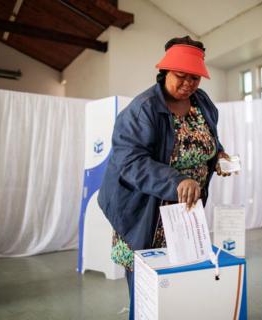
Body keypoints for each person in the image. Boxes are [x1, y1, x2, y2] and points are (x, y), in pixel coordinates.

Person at [97, 36, 231, 319]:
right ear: (165, 72)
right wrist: (177, 181)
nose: (188, 84)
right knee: (147, 290)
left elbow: (208, 140)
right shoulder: (142, 109)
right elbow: (130, 162)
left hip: (185, 213)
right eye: (181, 76)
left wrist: (218, 155)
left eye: (195, 78)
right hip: (143, 212)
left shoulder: (202, 102)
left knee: (180, 286)